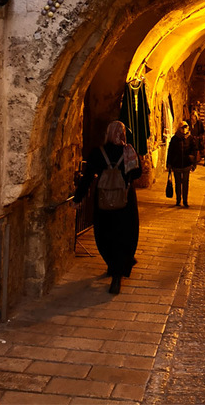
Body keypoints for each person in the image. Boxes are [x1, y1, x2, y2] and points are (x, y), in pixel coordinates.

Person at [73, 120, 142, 295]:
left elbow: (87, 177)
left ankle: (113, 265)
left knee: (105, 235)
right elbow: (137, 174)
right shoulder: (128, 151)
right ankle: (119, 273)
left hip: (103, 201)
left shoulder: (98, 153)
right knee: (126, 234)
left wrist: (78, 198)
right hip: (125, 201)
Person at [167, 121, 197, 208]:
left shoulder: (190, 138)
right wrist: (169, 163)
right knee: (178, 183)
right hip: (176, 164)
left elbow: (194, 151)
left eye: (185, 127)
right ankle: (178, 200)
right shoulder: (174, 139)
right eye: (182, 127)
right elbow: (170, 151)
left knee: (185, 183)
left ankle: (185, 200)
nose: (184, 129)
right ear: (179, 128)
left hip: (186, 164)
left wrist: (193, 163)